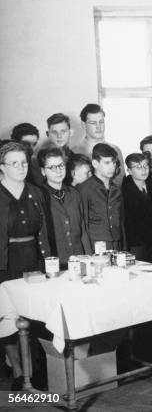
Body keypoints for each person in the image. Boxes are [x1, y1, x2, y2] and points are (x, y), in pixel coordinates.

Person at [0, 142, 50, 390]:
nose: (20, 167)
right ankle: (18, 371)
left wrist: (47, 264)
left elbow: (44, 232)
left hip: (32, 260)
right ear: (2, 167)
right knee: (8, 318)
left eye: (23, 162)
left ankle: (34, 370)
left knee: (33, 316)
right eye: (13, 163)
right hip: (5, 262)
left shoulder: (36, 192)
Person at [37, 148, 91, 266]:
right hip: (54, 262)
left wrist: (88, 258)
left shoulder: (74, 194)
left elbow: (83, 231)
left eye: (61, 165)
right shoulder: (38, 196)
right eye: (52, 167)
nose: (58, 171)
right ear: (43, 171)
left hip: (78, 259)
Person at [77, 143, 124, 251]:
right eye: (107, 163)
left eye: (114, 163)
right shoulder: (84, 189)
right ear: (95, 163)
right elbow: (82, 225)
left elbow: (122, 224)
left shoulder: (117, 189)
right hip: (96, 245)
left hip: (117, 245)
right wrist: (88, 253)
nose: (112, 167)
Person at [71, 104, 125, 186]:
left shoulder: (116, 150)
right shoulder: (74, 152)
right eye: (93, 123)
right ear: (84, 125)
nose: (98, 127)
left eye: (101, 122)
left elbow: (121, 184)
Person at [122, 153, 152, 262]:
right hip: (136, 243)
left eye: (146, 166)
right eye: (138, 167)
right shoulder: (124, 191)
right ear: (129, 171)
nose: (143, 170)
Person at [10, 122, 43, 187]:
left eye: (34, 144)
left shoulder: (36, 161)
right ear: (14, 142)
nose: (32, 149)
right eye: (26, 144)